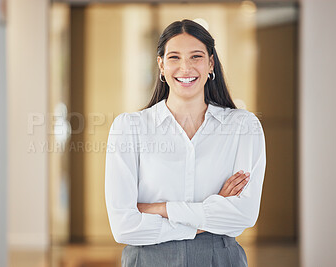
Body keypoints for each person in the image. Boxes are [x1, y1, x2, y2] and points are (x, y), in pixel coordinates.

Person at [105, 19, 266, 267]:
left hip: (220, 259)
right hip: (148, 259)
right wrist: (210, 212)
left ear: (210, 63)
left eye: (196, 56)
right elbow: (124, 227)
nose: (185, 67)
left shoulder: (243, 127)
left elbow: (242, 216)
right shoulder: (129, 128)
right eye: (174, 57)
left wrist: (159, 208)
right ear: (161, 64)